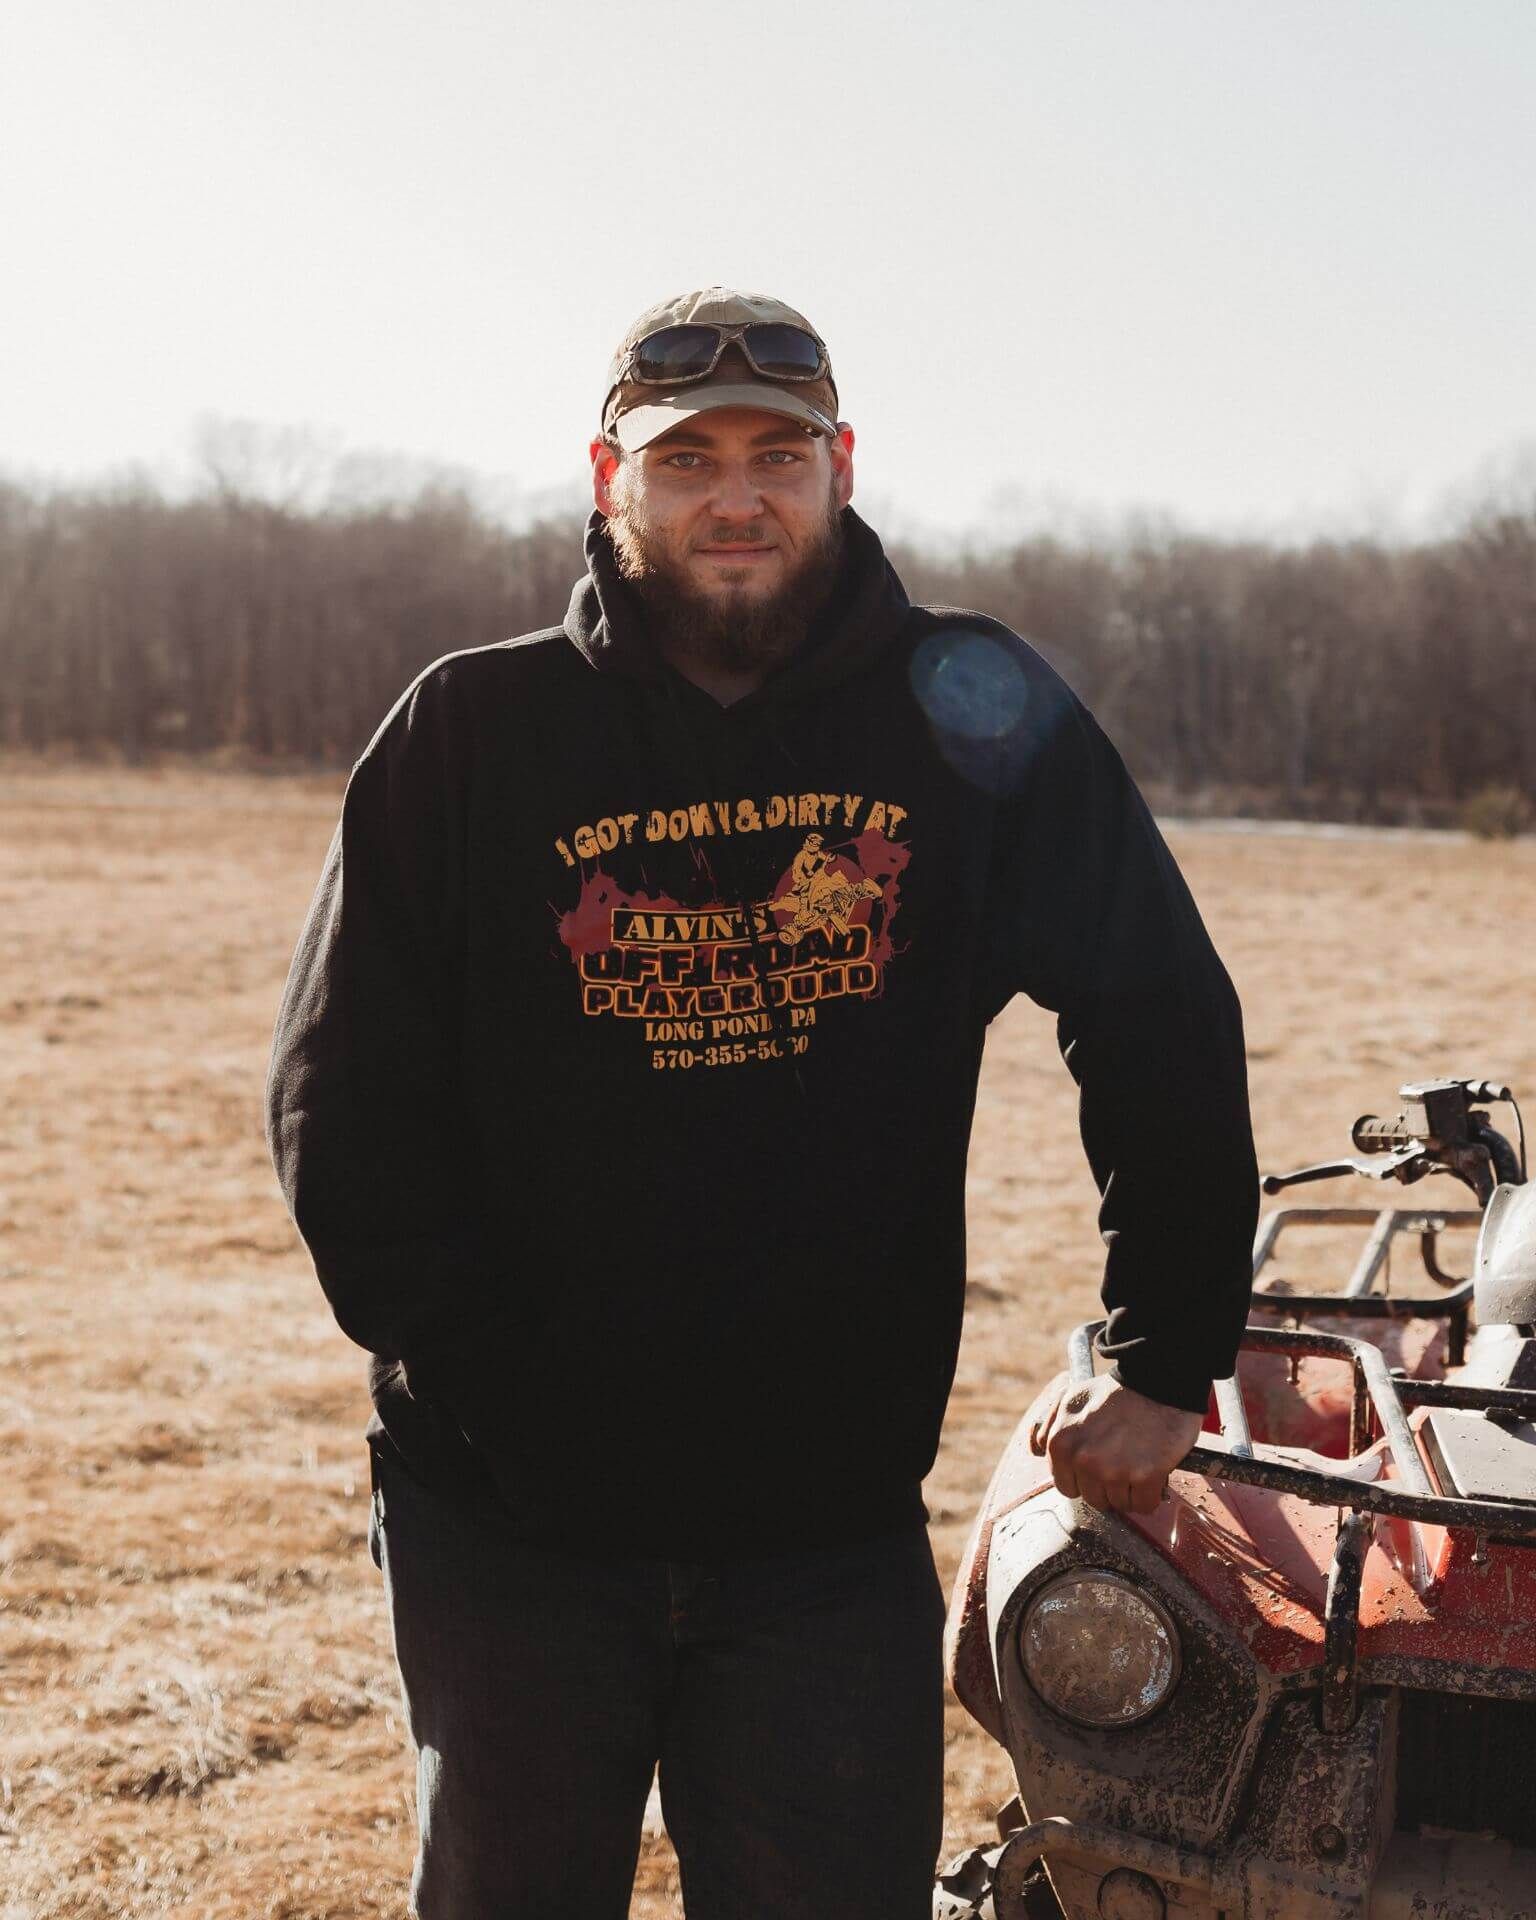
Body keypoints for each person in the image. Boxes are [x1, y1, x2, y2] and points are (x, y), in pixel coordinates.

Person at [265, 287, 1259, 1919]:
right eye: (688, 458)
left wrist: (1166, 1354)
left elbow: (1156, 1012)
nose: (737, 493)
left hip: (827, 1523)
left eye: (777, 453)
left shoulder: (973, 712)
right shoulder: (475, 732)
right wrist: (491, 1384)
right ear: (610, 479)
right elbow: (338, 1098)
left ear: (841, 465)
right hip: (512, 1521)